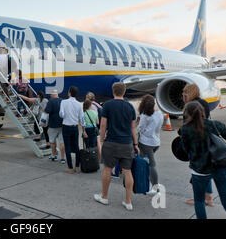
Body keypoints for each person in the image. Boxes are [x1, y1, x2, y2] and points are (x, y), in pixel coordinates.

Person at [180, 101, 226, 219]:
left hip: (199, 170)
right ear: (203, 112)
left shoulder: (185, 130)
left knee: (199, 201)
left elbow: (186, 150)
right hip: (220, 167)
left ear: (187, 114)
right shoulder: (216, 125)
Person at [94, 82, 139, 211]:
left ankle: (104, 196)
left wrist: (101, 140)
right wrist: (135, 144)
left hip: (111, 142)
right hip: (126, 143)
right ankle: (128, 201)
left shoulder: (107, 105)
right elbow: (133, 128)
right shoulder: (130, 107)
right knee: (127, 171)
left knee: (107, 169)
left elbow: (103, 125)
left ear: (113, 91)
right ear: (123, 92)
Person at [181, 83, 213, 205]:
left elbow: (186, 126)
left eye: (185, 93)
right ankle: (208, 198)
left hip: (195, 144)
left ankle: (201, 198)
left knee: (197, 173)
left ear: (190, 92)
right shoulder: (204, 103)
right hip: (206, 141)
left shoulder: (190, 106)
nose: (183, 95)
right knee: (204, 170)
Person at [137, 95, 163, 195]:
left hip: (146, 142)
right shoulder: (159, 114)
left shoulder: (145, 115)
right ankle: (145, 183)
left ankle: (155, 188)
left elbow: (140, 128)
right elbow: (159, 126)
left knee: (151, 165)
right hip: (156, 142)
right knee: (145, 163)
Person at [59, 86, 84, 174]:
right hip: (75, 127)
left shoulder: (63, 102)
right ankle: (77, 166)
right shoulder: (79, 104)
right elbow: (82, 118)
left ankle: (70, 167)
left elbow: (61, 114)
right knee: (76, 146)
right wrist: (84, 130)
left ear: (69, 93)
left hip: (66, 126)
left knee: (68, 146)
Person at [44, 90, 66, 163]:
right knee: (62, 142)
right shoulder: (62, 101)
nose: (50, 96)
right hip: (62, 124)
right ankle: (63, 158)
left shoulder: (51, 101)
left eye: (50, 95)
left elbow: (47, 111)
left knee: (52, 142)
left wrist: (44, 108)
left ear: (52, 95)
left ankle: (54, 155)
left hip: (53, 125)